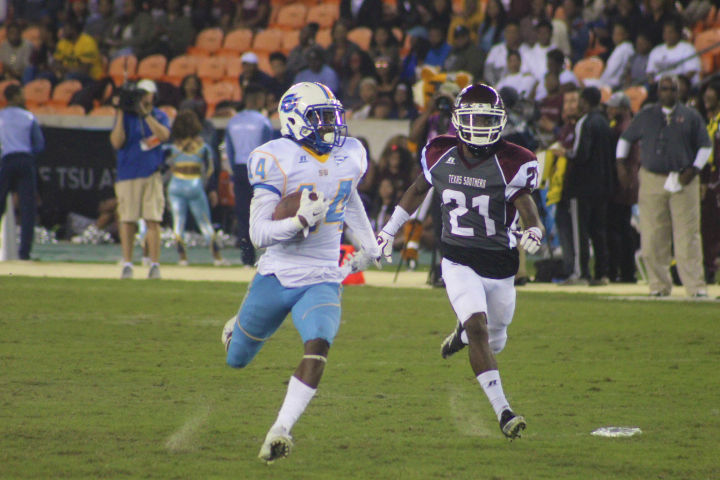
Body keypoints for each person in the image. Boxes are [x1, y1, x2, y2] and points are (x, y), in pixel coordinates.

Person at [220, 82, 380, 463]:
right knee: (237, 360)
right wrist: (297, 222)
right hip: (276, 275)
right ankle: (235, 327)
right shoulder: (275, 157)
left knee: (319, 342)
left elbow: (347, 194)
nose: (331, 125)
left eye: (333, 116)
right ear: (293, 118)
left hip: (323, 275)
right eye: (320, 117)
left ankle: (280, 429)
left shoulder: (350, 155)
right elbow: (258, 234)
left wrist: (369, 243)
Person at [376, 83, 544, 438]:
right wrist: (390, 230)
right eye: (474, 118)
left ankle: (463, 335)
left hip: (500, 261)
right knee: (479, 329)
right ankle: (504, 412)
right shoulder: (440, 152)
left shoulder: (515, 161)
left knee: (496, 339)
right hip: (456, 258)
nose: (481, 125)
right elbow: (419, 189)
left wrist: (535, 231)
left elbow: (527, 205)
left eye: (488, 118)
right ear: (458, 120)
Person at [617, 74, 711, 297]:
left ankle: (696, 288)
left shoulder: (690, 116)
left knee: (687, 234)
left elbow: (705, 146)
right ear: (658, 91)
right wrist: (620, 162)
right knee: (652, 235)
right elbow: (626, 138)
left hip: (683, 178)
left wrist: (694, 169)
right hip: (651, 177)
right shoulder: (646, 114)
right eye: (664, 89)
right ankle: (659, 287)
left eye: (672, 89)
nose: (667, 93)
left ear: (679, 92)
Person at [549, 87, 614, 285]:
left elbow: (580, 153)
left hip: (583, 186)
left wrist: (564, 153)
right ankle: (602, 274)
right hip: (603, 186)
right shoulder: (604, 122)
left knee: (580, 232)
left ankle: (580, 274)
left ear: (584, 102)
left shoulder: (584, 122)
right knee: (599, 231)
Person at [109, 79, 171, 279]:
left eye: (146, 94)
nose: (143, 97)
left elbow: (163, 136)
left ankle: (154, 264)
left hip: (151, 172)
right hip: (128, 173)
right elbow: (117, 142)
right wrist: (120, 111)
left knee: (152, 219)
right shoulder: (126, 116)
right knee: (127, 220)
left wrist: (146, 115)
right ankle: (127, 262)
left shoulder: (160, 115)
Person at [165, 109, 227, 266]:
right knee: (205, 223)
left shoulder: (172, 147)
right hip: (194, 184)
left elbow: (166, 168)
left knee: (178, 223)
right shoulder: (203, 147)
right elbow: (211, 169)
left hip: (175, 185)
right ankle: (217, 258)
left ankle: (182, 258)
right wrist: (208, 187)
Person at [224, 84, 273, 266]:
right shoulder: (263, 121)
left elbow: (229, 151)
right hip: (258, 170)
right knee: (265, 211)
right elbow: (267, 148)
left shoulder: (233, 121)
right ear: (258, 100)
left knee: (243, 213)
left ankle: (247, 258)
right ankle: (269, 255)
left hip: (239, 167)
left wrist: (232, 174)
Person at [0, 84, 45, 261]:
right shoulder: (28, 116)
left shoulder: (1, 116)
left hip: (6, 160)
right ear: (16, 96)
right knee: (28, 209)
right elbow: (40, 144)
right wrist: (29, 155)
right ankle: (24, 253)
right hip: (25, 160)